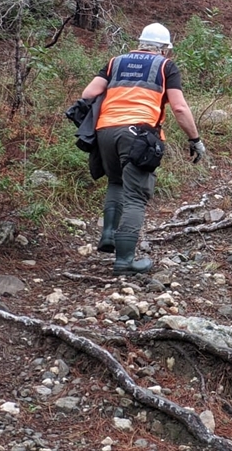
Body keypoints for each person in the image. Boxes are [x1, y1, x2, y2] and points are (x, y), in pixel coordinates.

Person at [80, 22, 204, 275]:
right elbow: (179, 108)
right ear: (164, 49)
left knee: (116, 183)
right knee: (136, 196)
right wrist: (195, 139)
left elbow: (88, 94)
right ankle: (125, 262)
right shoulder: (165, 66)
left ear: (140, 43)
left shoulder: (115, 62)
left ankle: (109, 236)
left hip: (104, 132)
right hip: (139, 135)